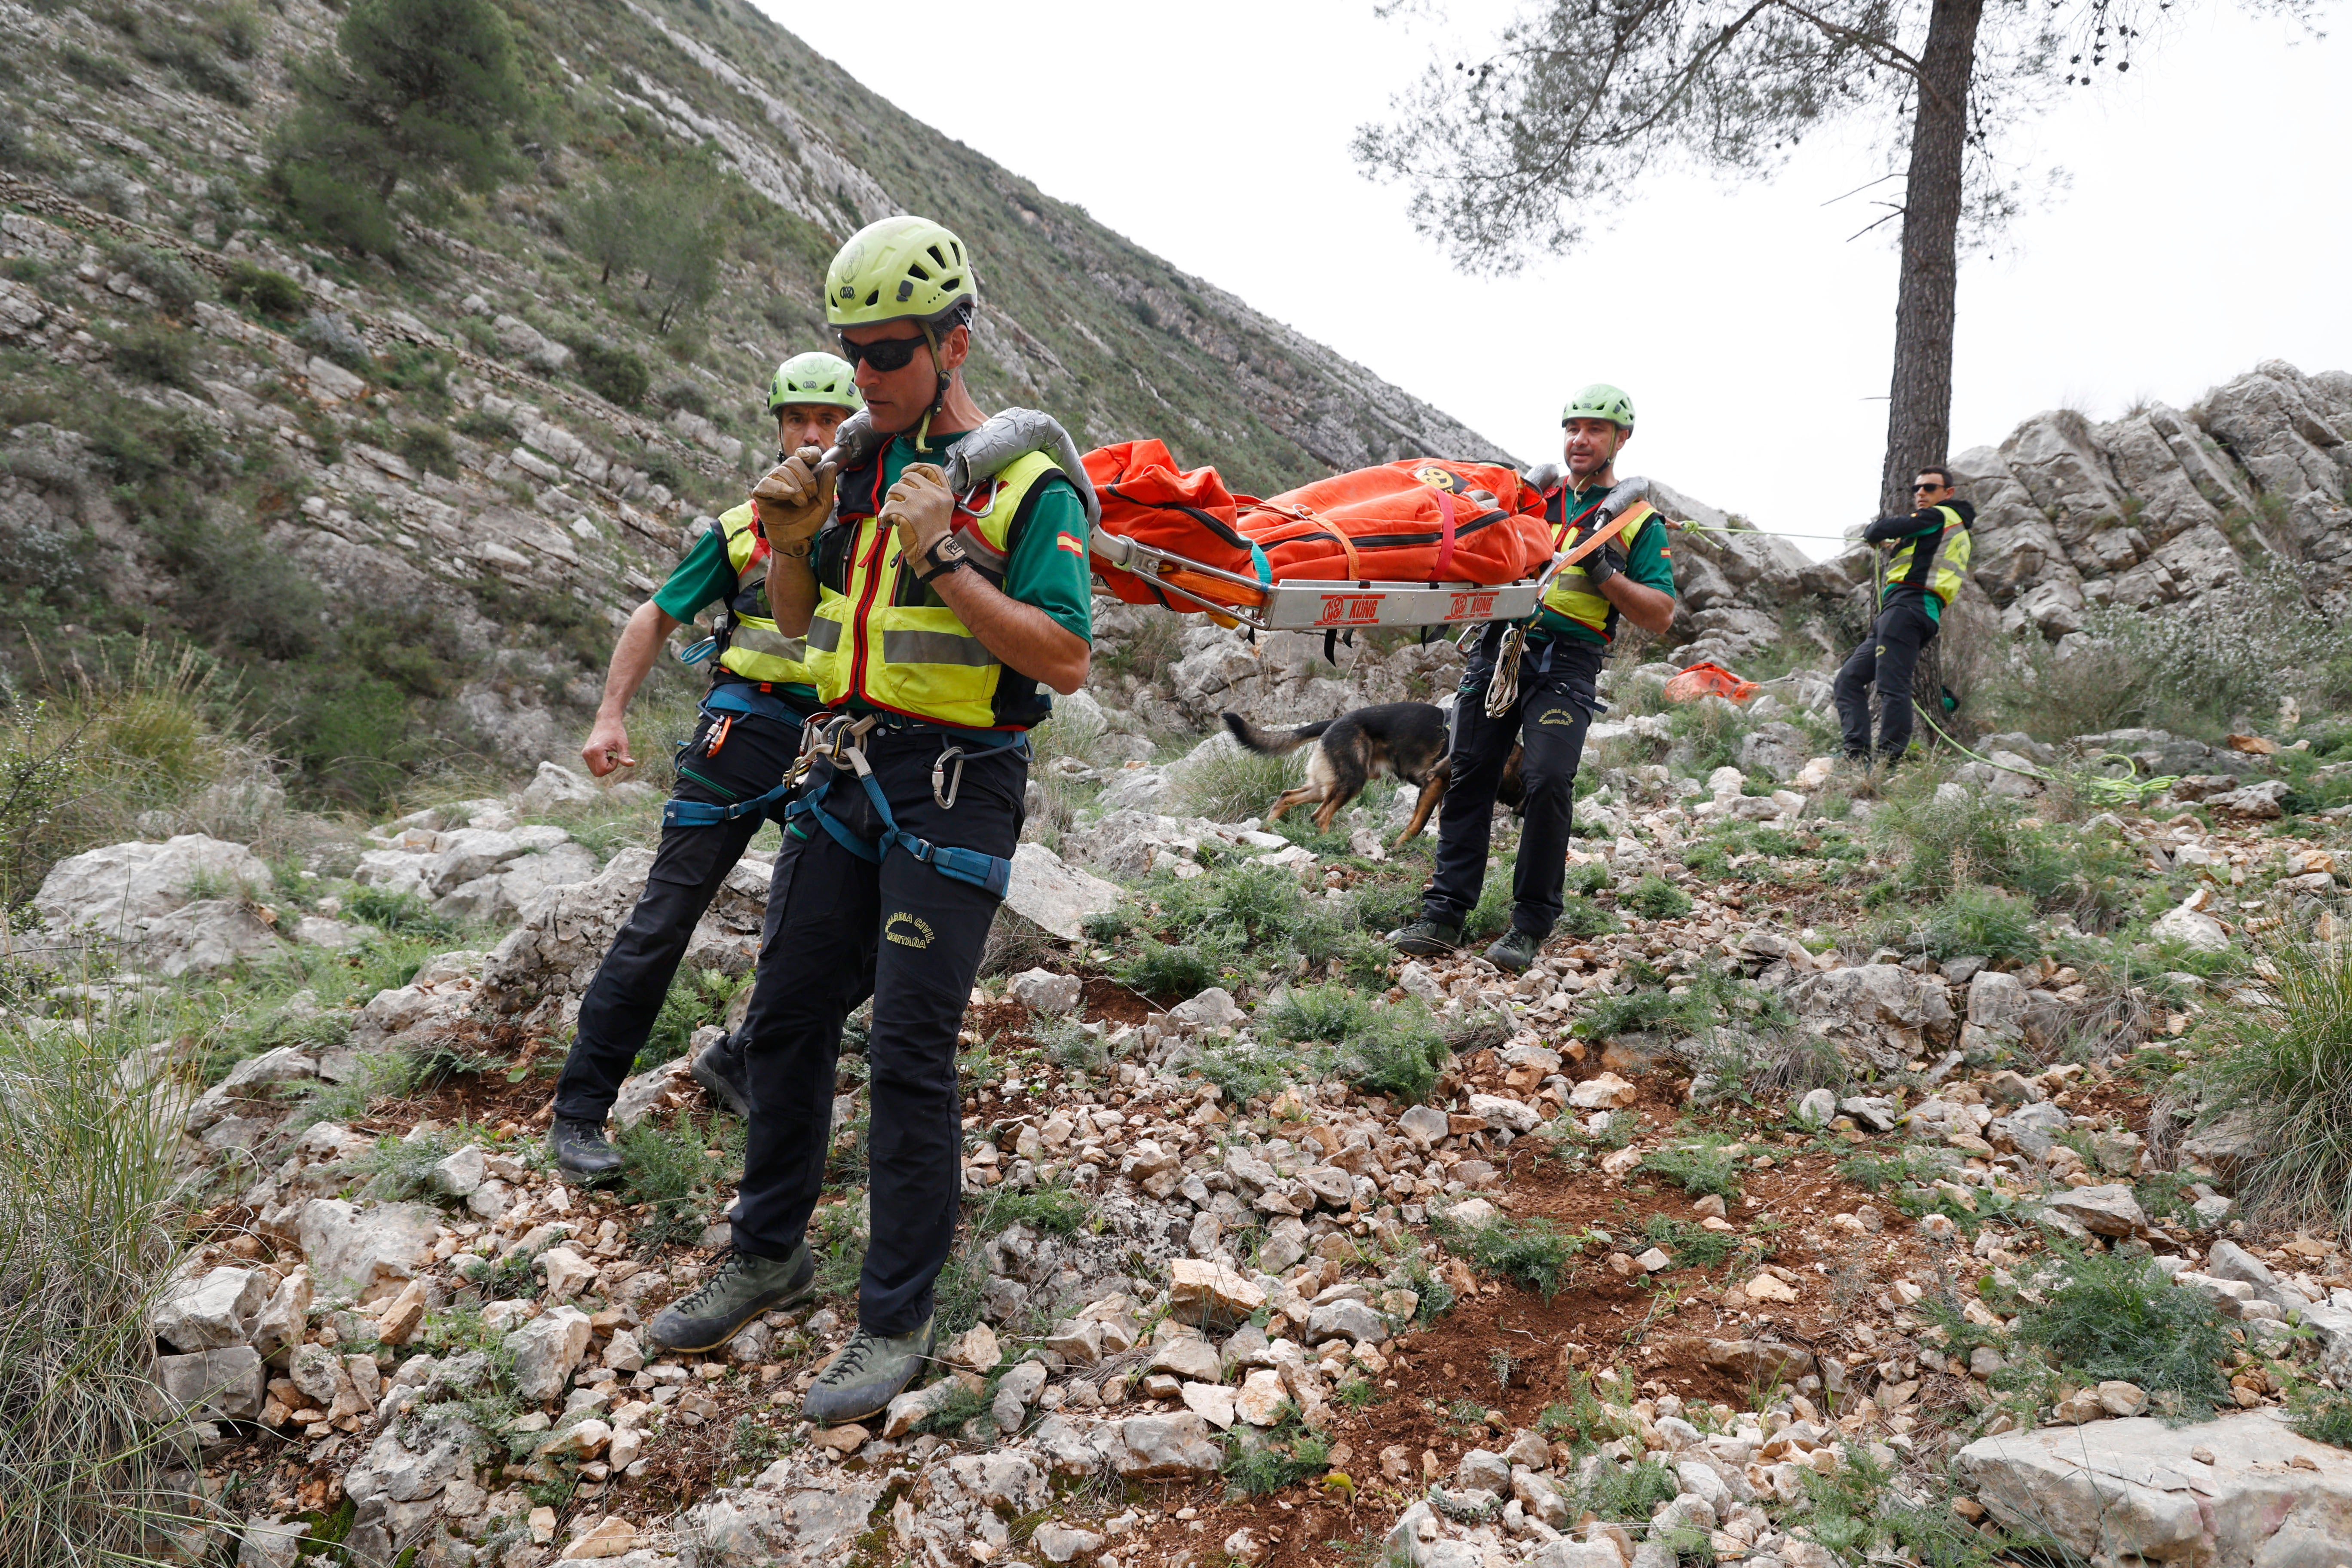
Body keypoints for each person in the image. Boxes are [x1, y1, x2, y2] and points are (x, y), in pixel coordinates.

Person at [645, 217, 1093, 1426]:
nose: (868, 376)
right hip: (842, 770)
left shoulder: (1026, 487)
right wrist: (792, 540)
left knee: (905, 1053)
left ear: (956, 343)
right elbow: (799, 621)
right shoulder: (857, 464)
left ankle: (893, 1318)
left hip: (958, 789)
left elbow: (1063, 659)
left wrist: (947, 554)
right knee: (783, 1021)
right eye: (853, 352)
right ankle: (769, 1251)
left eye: (891, 351)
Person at [545, 353, 863, 1181]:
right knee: (664, 918)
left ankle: (743, 1057)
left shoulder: (875, 524)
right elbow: (657, 614)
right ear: (778, 426)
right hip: (743, 730)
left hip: (833, 741)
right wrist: (609, 713)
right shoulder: (744, 525)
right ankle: (579, 1112)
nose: (813, 433)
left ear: (853, 426)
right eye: (798, 419)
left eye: (828, 420)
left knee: (845, 933)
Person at [1390, 384, 1678, 974]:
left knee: (1547, 780)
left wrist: (1603, 572)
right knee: (1468, 774)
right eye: (1573, 427)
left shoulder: (1638, 522)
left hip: (1568, 661)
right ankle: (1444, 914)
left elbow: (1660, 615)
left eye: (1596, 430)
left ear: (1621, 440)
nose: (1581, 439)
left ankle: (1530, 923)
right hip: (1500, 649)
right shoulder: (1530, 499)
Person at [1833, 466, 1975, 765]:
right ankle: (1857, 757)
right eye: (1917, 489)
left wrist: (1878, 537)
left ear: (1948, 493)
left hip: (1909, 609)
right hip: (1907, 612)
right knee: (1848, 679)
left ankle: (1887, 761)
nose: (1921, 493)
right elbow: (1923, 555)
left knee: (1892, 685)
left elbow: (1875, 531)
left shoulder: (1939, 517)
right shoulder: (1952, 530)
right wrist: (1896, 545)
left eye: (1929, 488)